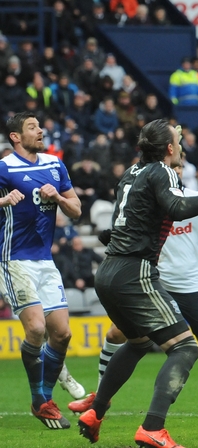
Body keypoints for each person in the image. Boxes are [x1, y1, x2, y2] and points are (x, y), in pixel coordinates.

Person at [75, 119, 198, 446]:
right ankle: (152, 428)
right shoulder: (163, 172)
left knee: (138, 342)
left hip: (108, 271)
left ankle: (95, 411)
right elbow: (176, 208)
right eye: (177, 141)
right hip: (135, 271)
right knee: (186, 348)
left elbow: (120, 227)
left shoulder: (131, 173)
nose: (181, 145)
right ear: (170, 148)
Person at [0, 111, 82, 429]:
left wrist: (59, 197)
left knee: (62, 334)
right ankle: (40, 399)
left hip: (45, 261)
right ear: (15, 137)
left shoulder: (53, 164)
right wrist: (3, 200)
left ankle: (46, 395)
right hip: (14, 259)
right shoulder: (5, 167)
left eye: (40, 126)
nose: (41, 131)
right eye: (32, 127)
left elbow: (76, 210)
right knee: (36, 329)